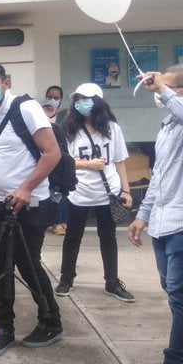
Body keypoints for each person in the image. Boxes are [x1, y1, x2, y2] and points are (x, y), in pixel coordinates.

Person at [0, 61, 63, 357]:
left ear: (5, 82)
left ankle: (51, 321)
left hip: (29, 202)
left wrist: (26, 187)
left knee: (26, 262)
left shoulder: (26, 108)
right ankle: (3, 328)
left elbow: (52, 152)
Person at [128, 65, 183, 364]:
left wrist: (164, 90)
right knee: (178, 294)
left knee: (181, 294)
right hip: (163, 222)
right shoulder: (168, 126)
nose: (158, 93)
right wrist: (143, 215)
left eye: (167, 89)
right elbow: (159, 176)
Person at [54, 83, 134, 302]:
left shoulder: (112, 129)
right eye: (78, 99)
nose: (81, 103)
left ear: (98, 102)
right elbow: (63, 161)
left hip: (108, 192)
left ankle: (112, 282)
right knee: (72, 237)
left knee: (108, 237)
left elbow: (119, 161)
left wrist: (126, 190)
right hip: (79, 192)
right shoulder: (68, 130)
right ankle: (66, 279)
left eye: (86, 99)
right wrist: (88, 165)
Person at [43, 85, 69, 235]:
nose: (52, 99)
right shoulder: (40, 113)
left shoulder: (65, 115)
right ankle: (49, 220)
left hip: (61, 157)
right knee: (47, 189)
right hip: (44, 156)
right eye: (50, 96)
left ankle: (60, 222)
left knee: (60, 190)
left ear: (61, 100)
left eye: (56, 97)